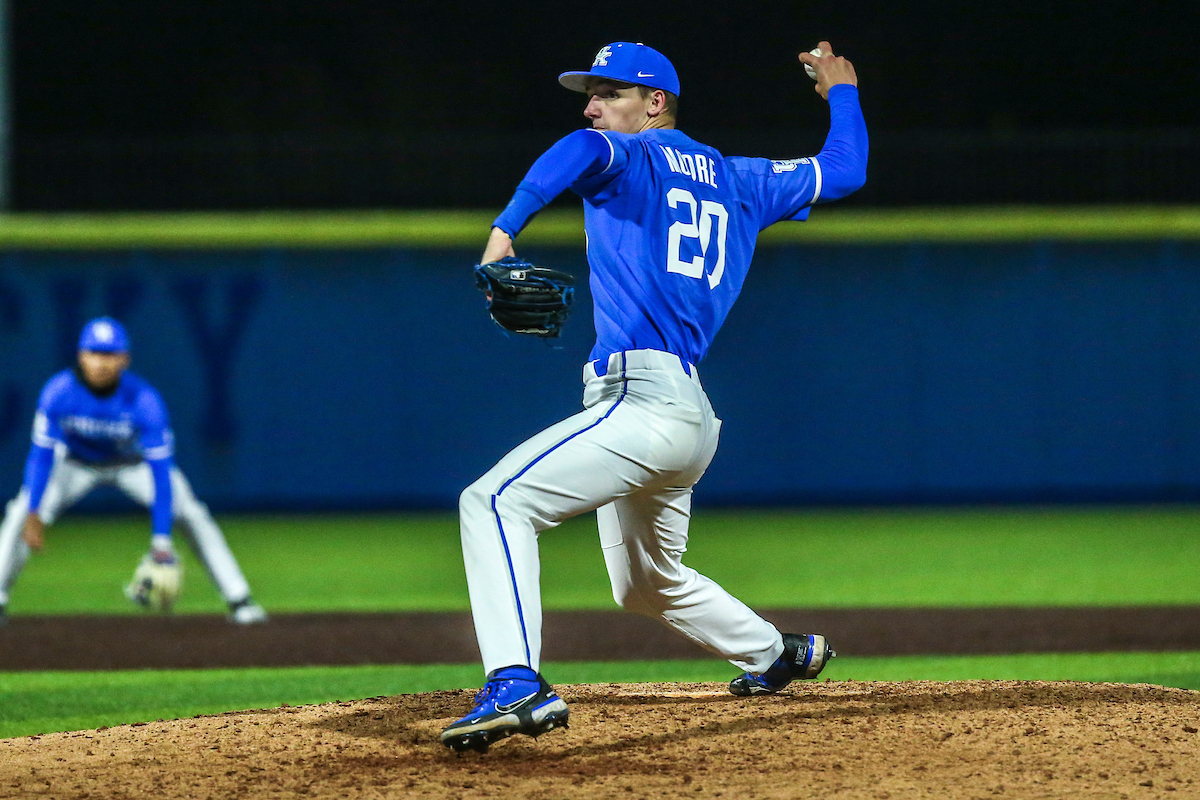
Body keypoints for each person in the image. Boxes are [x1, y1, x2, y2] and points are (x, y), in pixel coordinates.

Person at [441, 41, 867, 752]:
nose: (592, 107)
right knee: (643, 582)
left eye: (608, 93)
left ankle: (515, 682)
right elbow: (845, 170)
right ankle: (774, 653)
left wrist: (503, 231)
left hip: (639, 399)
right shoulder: (741, 180)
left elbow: (579, 149)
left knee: (492, 502)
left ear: (655, 104)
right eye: (592, 93)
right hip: (689, 415)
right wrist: (841, 94)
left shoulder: (630, 155)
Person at [0, 317, 268, 625]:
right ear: (80, 356)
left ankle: (239, 599)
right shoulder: (58, 392)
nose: (101, 362)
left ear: (125, 359)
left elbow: (161, 473)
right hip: (73, 464)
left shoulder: (145, 400)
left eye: (110, 354)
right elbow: (41, 457)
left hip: (132, 465)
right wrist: (34, 510)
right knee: (19, 513)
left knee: (192, 512)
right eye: (94, 353)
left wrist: (162, 541)